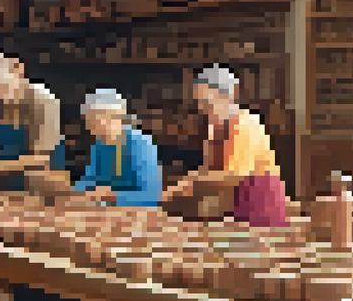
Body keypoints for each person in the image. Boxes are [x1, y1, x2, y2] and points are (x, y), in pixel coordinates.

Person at [162, 65, 289, 226]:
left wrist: (195, 181)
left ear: (227, 97)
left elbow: (235, 176)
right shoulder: (214, 129)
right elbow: (208, 171)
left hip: (259, 210)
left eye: (208, 103)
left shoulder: (246, 124)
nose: (203, 110)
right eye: (200, 104)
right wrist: (171, 193)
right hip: (230, 211)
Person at [0, 52, 66, 191]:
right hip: (0, 177)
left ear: (19, 74)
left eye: (4, 86)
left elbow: (41, 158)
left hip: (39, 180)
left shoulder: (43, 100)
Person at [72, 88, 162, 206]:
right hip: (105, 211)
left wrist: (111, 195)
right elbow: (88, 181)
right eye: (90, 121)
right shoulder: (100, 145)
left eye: (97, 119)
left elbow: (151, 196)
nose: (91, 127)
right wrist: (76, 192)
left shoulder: (140, 144)